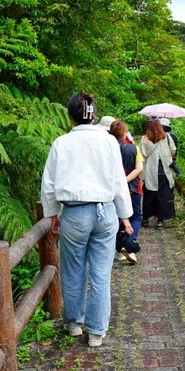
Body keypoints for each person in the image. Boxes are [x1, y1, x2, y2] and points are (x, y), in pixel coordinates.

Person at [40, 93, 133, 347]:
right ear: (93, 115)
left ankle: (73, 324)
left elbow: (48, 184)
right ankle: (96, 332)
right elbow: (118, 182)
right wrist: (126, 218)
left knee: (73, 271)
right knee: (101, 274)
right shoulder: (109, 142)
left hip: (74, 213)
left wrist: (53, 214)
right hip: (105, 212)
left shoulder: (61, 143)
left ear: (70, 116)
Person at [109, 119, 143, 263]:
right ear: (124, 134)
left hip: (112, 189)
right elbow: (139, 168)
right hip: (133, 188)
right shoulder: (134, 148)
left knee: (117, 218)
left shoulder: (108, 149)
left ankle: (118, 248)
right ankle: (130, 243)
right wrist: (126, 180)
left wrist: (119, 182)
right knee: (135, 216)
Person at [140, 117, 177, 229]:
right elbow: (173, 150)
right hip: (165, 171)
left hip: (151, 171)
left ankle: (146, 218)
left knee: (149, 195)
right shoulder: (167, 137)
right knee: (163, 196)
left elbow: (142, 154)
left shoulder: (145, 139)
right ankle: (160, 221)